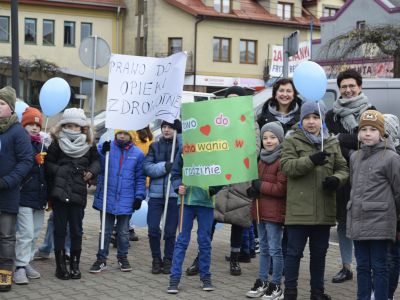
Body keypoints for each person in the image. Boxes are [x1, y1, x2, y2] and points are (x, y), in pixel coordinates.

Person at [281, 101, 348, 300]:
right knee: (293, 254)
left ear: (322, 119)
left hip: (324, 211)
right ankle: (290, 292)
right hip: (299, 211)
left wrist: (337, 180)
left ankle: (317, 292)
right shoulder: (293, 139)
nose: (312, 122)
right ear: (301, 120)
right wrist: (310, 161)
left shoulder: (332, 142)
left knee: (319, 255)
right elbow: (287, 166)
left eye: (316, 117)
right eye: (307, 118)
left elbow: (343, 168)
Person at [325, 69, 374, 283]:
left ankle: (369, 266)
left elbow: (370, 141)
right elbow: (333, 145)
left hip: (366, 177)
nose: (347, 90)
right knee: (343, 224)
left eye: (351, 85)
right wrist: (351, 142)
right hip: (341, 176)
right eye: (343, 86)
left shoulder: (371, 112)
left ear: (360, 87)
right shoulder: (331, 114)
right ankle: (347, 266)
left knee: (367, 224)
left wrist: (342, 138)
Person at [347, 110, 400, 300]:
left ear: (382, 133)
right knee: (361, 266)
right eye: (363, 129)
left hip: (380, 222)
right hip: (358, 222)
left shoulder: (391, 158)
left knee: (380, 266)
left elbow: (398, 191)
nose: (367, 133)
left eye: (372, 129)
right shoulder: (355, 156)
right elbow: (354, 186)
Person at [46, 108, 100, 280]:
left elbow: (97, 161)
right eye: (68, 125)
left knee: (77, 230)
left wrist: (91, 172)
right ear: (63, 126)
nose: (72, 129)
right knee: (60, 229)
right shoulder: (56, 144)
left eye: (76, 126)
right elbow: (48, 164)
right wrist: (61, 171)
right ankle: (60, 266)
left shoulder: (89, 145)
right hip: (60, 193)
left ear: (82, 128)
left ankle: (75, 265)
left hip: (78, 193)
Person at [90, 129, 146, 273]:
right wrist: (103, 151)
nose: (122, 136)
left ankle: (122, 257)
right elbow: (96, 162)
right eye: (119, 133)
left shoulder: (138, 154)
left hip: (126, 198)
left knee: (123, 232)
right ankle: (101, 259)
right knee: (106, 231)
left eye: (126, 134)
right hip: (108, 196)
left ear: (131, 136)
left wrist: (139, 196)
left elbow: (140, 177)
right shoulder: (106, 148)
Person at [167, 150, 220, 294]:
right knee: (182, 240)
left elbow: (222, 173)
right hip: (186, 201)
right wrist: (178, 186)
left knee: (204, 241)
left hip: (206, 203)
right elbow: (176, 173)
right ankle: (174, 278)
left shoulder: (214, 147)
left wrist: (214, 189)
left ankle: (205, 277)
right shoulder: (185, 148)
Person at [245, 122, 287, 299]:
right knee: (263, 248)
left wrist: (260, 186)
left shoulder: (282, 160)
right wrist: (252, 190)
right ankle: (262, 280)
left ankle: (276, 284)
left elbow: (281, 189)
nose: (268, 141)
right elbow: (257, 184)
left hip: (274, 213)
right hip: (260, 211)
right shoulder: (260, 159)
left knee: (275, 250)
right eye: (265, 138)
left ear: (280, 139)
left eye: (272, 137)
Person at [0, 86, 32, 292]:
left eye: (1, 103)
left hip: (7, 194)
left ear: (11, 108)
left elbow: (26, 161)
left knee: (6, 238)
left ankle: (4, 278)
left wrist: (7, 181)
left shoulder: (17, 132)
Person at [14, 108, 47, 285]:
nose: (34, 128)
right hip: (24, 196)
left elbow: (45, 174)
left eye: (37, 124)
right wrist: (34, 161)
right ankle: (19, 266)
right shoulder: (20, 143)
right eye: (30, 124)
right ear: (23, 125)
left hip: (39, 197)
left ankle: (26, 263)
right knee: (25, 233)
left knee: (34, 234)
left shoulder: (41, 144)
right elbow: (19, 168)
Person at [143, 120, 181, 274]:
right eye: (164, 127)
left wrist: (181, 136)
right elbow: (147, 168)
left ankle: (168, 260)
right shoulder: (154, 146)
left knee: (170, 232)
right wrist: (165, 166)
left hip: (174, 195)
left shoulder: (180, 146)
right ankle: (156, 259)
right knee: (153, 229)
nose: (166, 130)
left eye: (170, 127)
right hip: (156, 195)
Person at [128, 125, 153, 242]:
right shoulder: (131, 132)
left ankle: (129, 227)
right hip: (134, 175)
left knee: (141, 204)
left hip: (146, 176)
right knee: (129, 203)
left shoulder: (149, 134)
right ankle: (127, 228)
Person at [384, 114, 400, 300]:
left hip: (395, 219)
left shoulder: (395, 155)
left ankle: (386, 294)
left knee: (392, 258)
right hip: (381, 217)